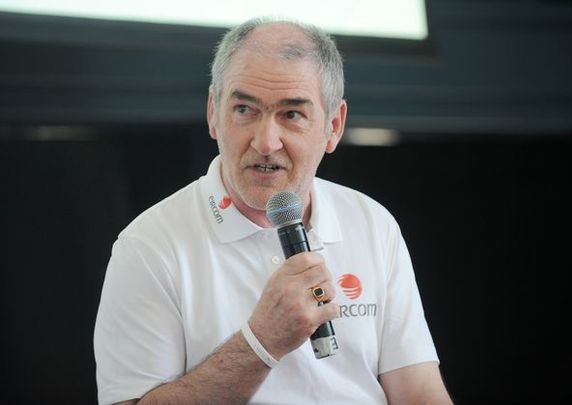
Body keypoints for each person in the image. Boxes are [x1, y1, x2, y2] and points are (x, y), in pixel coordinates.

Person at [94, 16, 453, 405]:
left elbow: (418, 390)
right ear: (214, 113)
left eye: (292, 115)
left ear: (333, 126)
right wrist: (261, 341)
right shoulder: (147, 246)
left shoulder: (372, 223)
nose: (266, 142)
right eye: (245, 109)